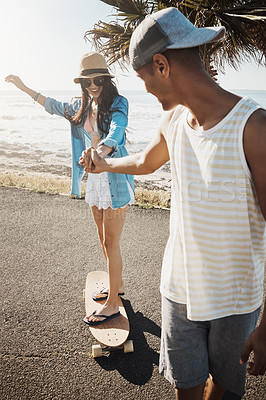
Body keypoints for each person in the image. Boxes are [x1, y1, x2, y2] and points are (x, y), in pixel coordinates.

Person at [79, 8, 266, 400]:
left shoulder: (254, 128)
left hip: (235, 300)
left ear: (161, 65)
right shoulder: (175, 120)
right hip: (178, 291)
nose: (146, 89)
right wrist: (103, 164)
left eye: (145, 78)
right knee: (187, 390)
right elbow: (146, 161)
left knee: (225, 393)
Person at [5, 51, 135, 326]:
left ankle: (113, 303)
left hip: (112, 177)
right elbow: (51, 104)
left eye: (98, 80)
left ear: (106, 80)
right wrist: (22, 86)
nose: (93, 85)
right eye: (87, 81)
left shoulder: (119, 103)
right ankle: (117, 285)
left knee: (112, 241)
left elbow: (117, 131)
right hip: (94, 179)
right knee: (103, 239)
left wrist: (98, 153)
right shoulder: (80, 106)